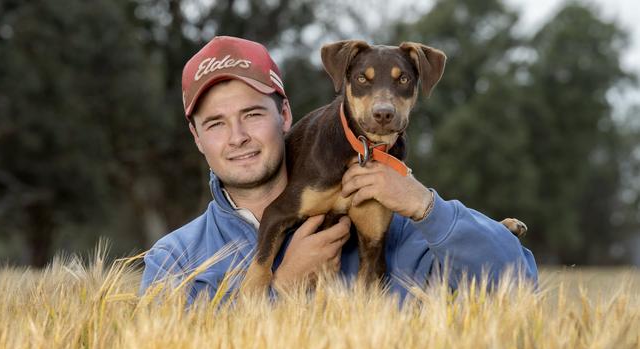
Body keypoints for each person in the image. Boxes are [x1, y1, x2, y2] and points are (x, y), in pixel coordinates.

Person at [140, 36, 538, 304]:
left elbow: (520, 287)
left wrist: (427, 207)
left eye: (251, 114)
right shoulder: (176, 261)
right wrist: (281, 289)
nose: (238, 136)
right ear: (195, 136)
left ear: (284, 115)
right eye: (216, 123)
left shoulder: (402, 231)